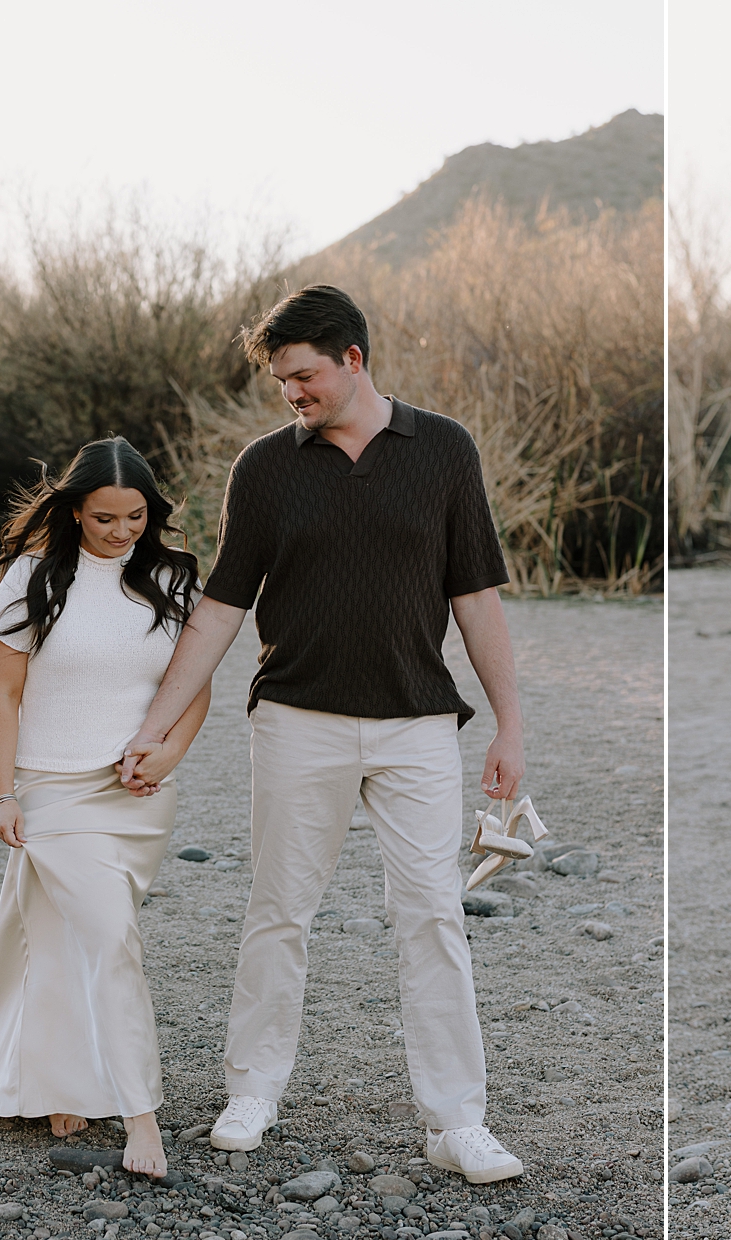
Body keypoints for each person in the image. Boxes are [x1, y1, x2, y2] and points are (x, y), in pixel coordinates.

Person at [117, 284, 529, 1183]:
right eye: (279, 381)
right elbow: (223, 607)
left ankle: (458, 1121)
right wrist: (155, 726)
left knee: (433, 917)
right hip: (297, 720)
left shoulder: (445, 450)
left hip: (419, 725)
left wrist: (509, 724)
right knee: (279, 912)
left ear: (353, 358)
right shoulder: (265, 468)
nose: (291, 393)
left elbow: (476, 598)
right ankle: (252, 1091)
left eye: (303, 375)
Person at [0, 437, 211, 1179]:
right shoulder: (32, 580)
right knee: (112, 935)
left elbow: (192, 691)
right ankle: (141, 1116)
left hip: (136, 795)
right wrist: (2, 795)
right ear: (73, 511)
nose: (122, 532)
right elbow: (2, 698)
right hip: (52, 789)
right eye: (104, 519)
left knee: (58, 933)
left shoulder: (171, 579)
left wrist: (168, 752)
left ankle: (57, 1080)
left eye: (136, 517)